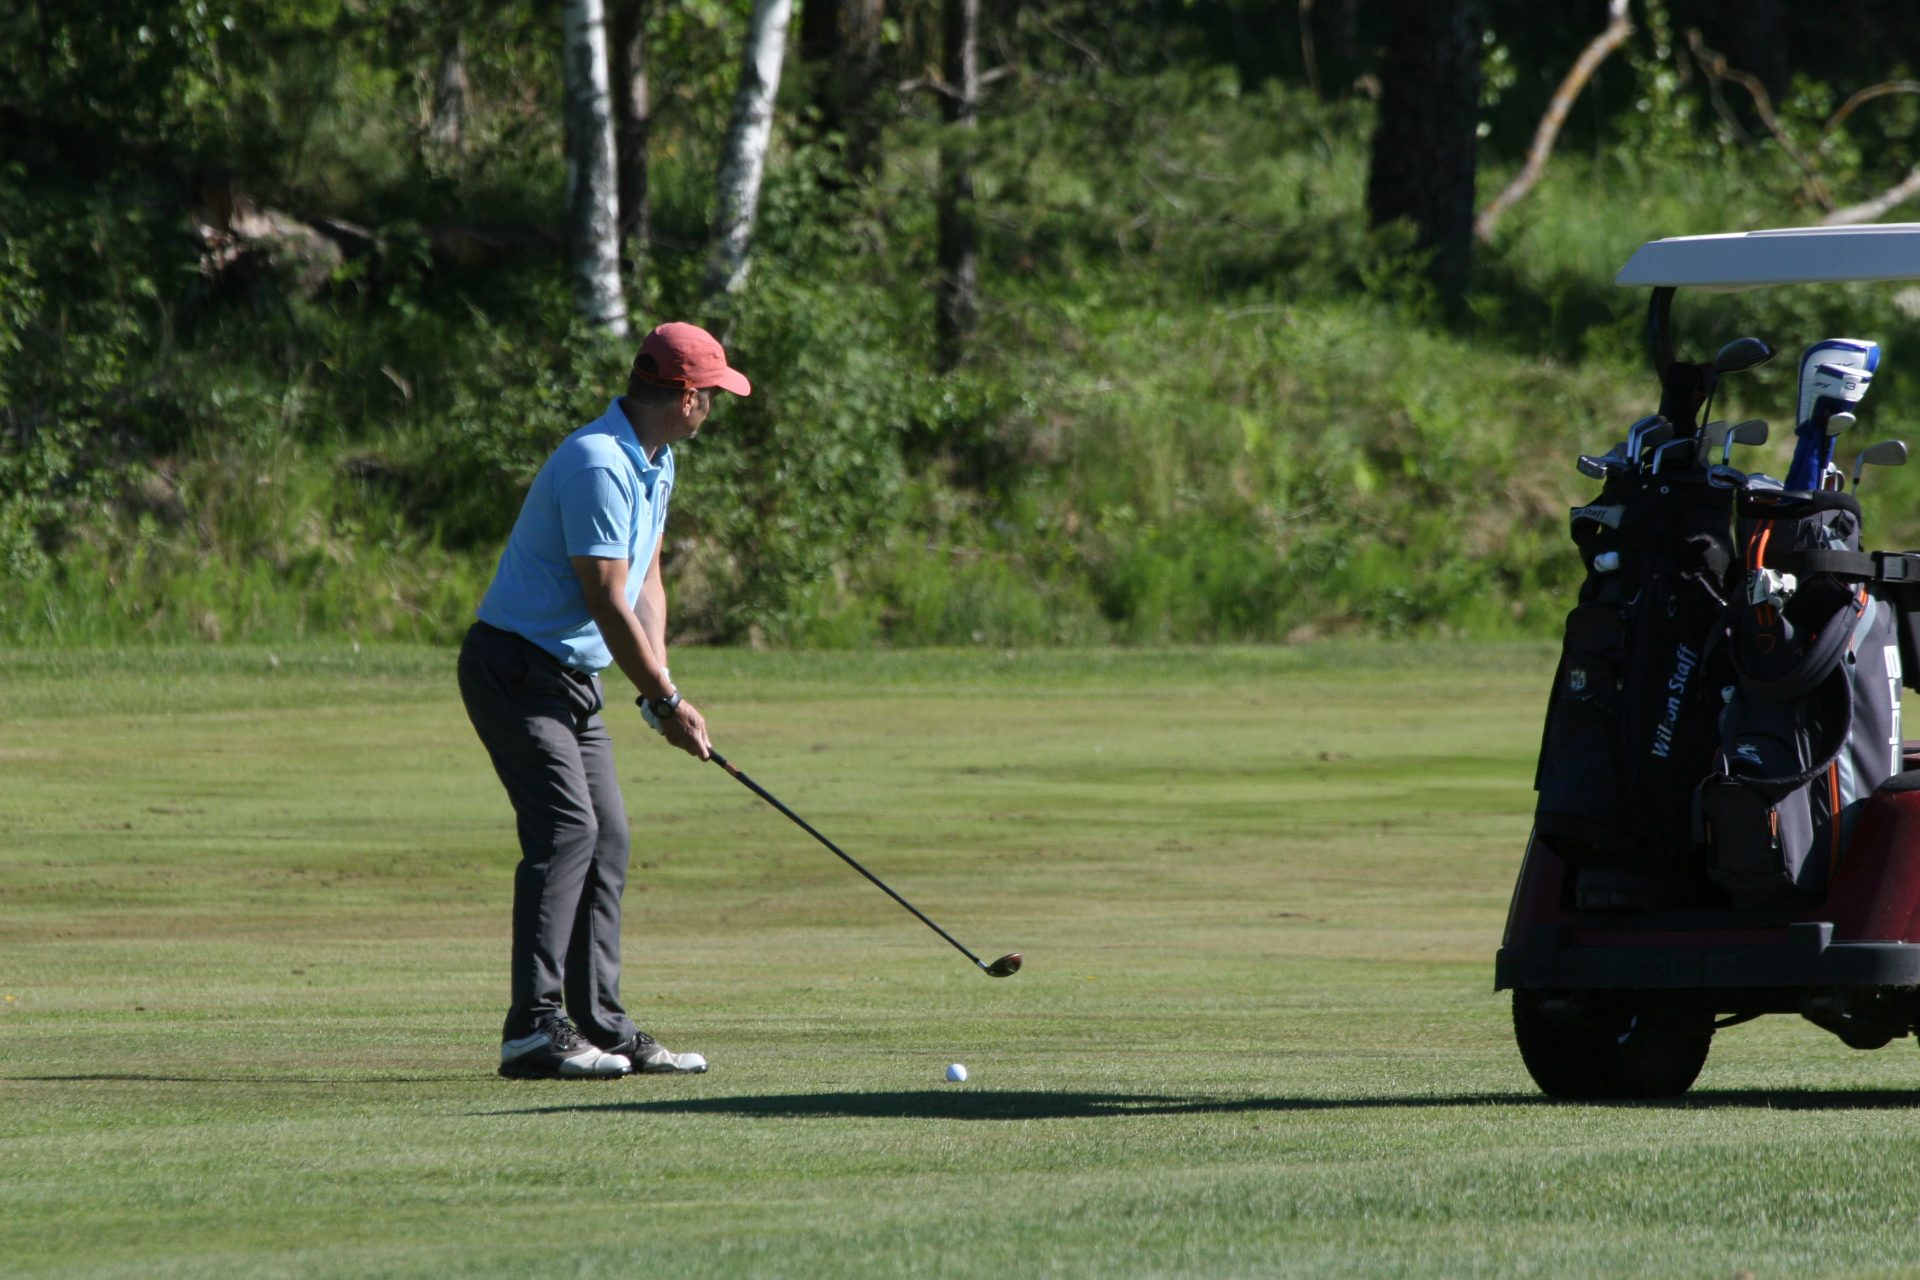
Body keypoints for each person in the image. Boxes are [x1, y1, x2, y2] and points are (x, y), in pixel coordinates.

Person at [457, 321, 748, 1079]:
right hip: (514, 669)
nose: (713, 406)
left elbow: (647, 580)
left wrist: (660, 689)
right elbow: (606, 598)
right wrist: (666, 699)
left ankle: (603, 1026)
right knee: (566, 829)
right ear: (686, 397)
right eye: (712, 393)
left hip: (571, 680)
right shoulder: (597, 462)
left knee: (607, 836)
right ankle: (532, 1029)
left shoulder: (657, 460)